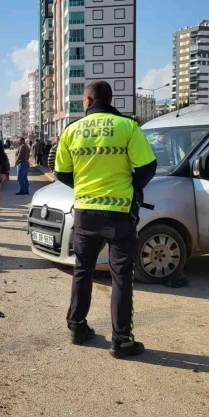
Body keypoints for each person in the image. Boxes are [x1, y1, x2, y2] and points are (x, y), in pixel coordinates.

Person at [54, 80, 157, 359]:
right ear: (110, 100)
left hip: (86, 213)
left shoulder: (71, 131)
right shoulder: (127, 127)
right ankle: (121, 341)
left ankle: (77, 327)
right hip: (120, 213)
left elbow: (61, 172)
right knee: (121, 276)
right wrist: (134, 188)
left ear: (87, 101)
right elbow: (148, 166)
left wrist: (83, 186)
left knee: (82, 270)